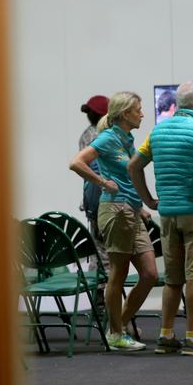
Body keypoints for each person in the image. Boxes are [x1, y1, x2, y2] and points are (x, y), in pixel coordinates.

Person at [128, 81, 193, 356]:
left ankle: (166, 335)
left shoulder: (158, 131)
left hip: (168, 214)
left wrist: (147, 199)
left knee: (173, 278)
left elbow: (133, 165)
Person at [69, 91, 158, 351]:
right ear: (123, 114)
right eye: (138, 109)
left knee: (150, 273)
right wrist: (102, 182)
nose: (142, 114)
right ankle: (117, 332)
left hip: (131, 209)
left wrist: (142, 204)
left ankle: (116, 326)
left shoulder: (127, 139)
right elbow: (76, 163)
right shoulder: (107, 137)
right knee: (117, 273)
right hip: (115, 210)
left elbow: (131, 176)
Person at [78, 95, 110, 272]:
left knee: (99, 249)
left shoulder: (85, 135)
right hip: (107, 197)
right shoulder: (106, 135)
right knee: (108, 253)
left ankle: (99, 297)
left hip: (91, 198)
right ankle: (108, 297)